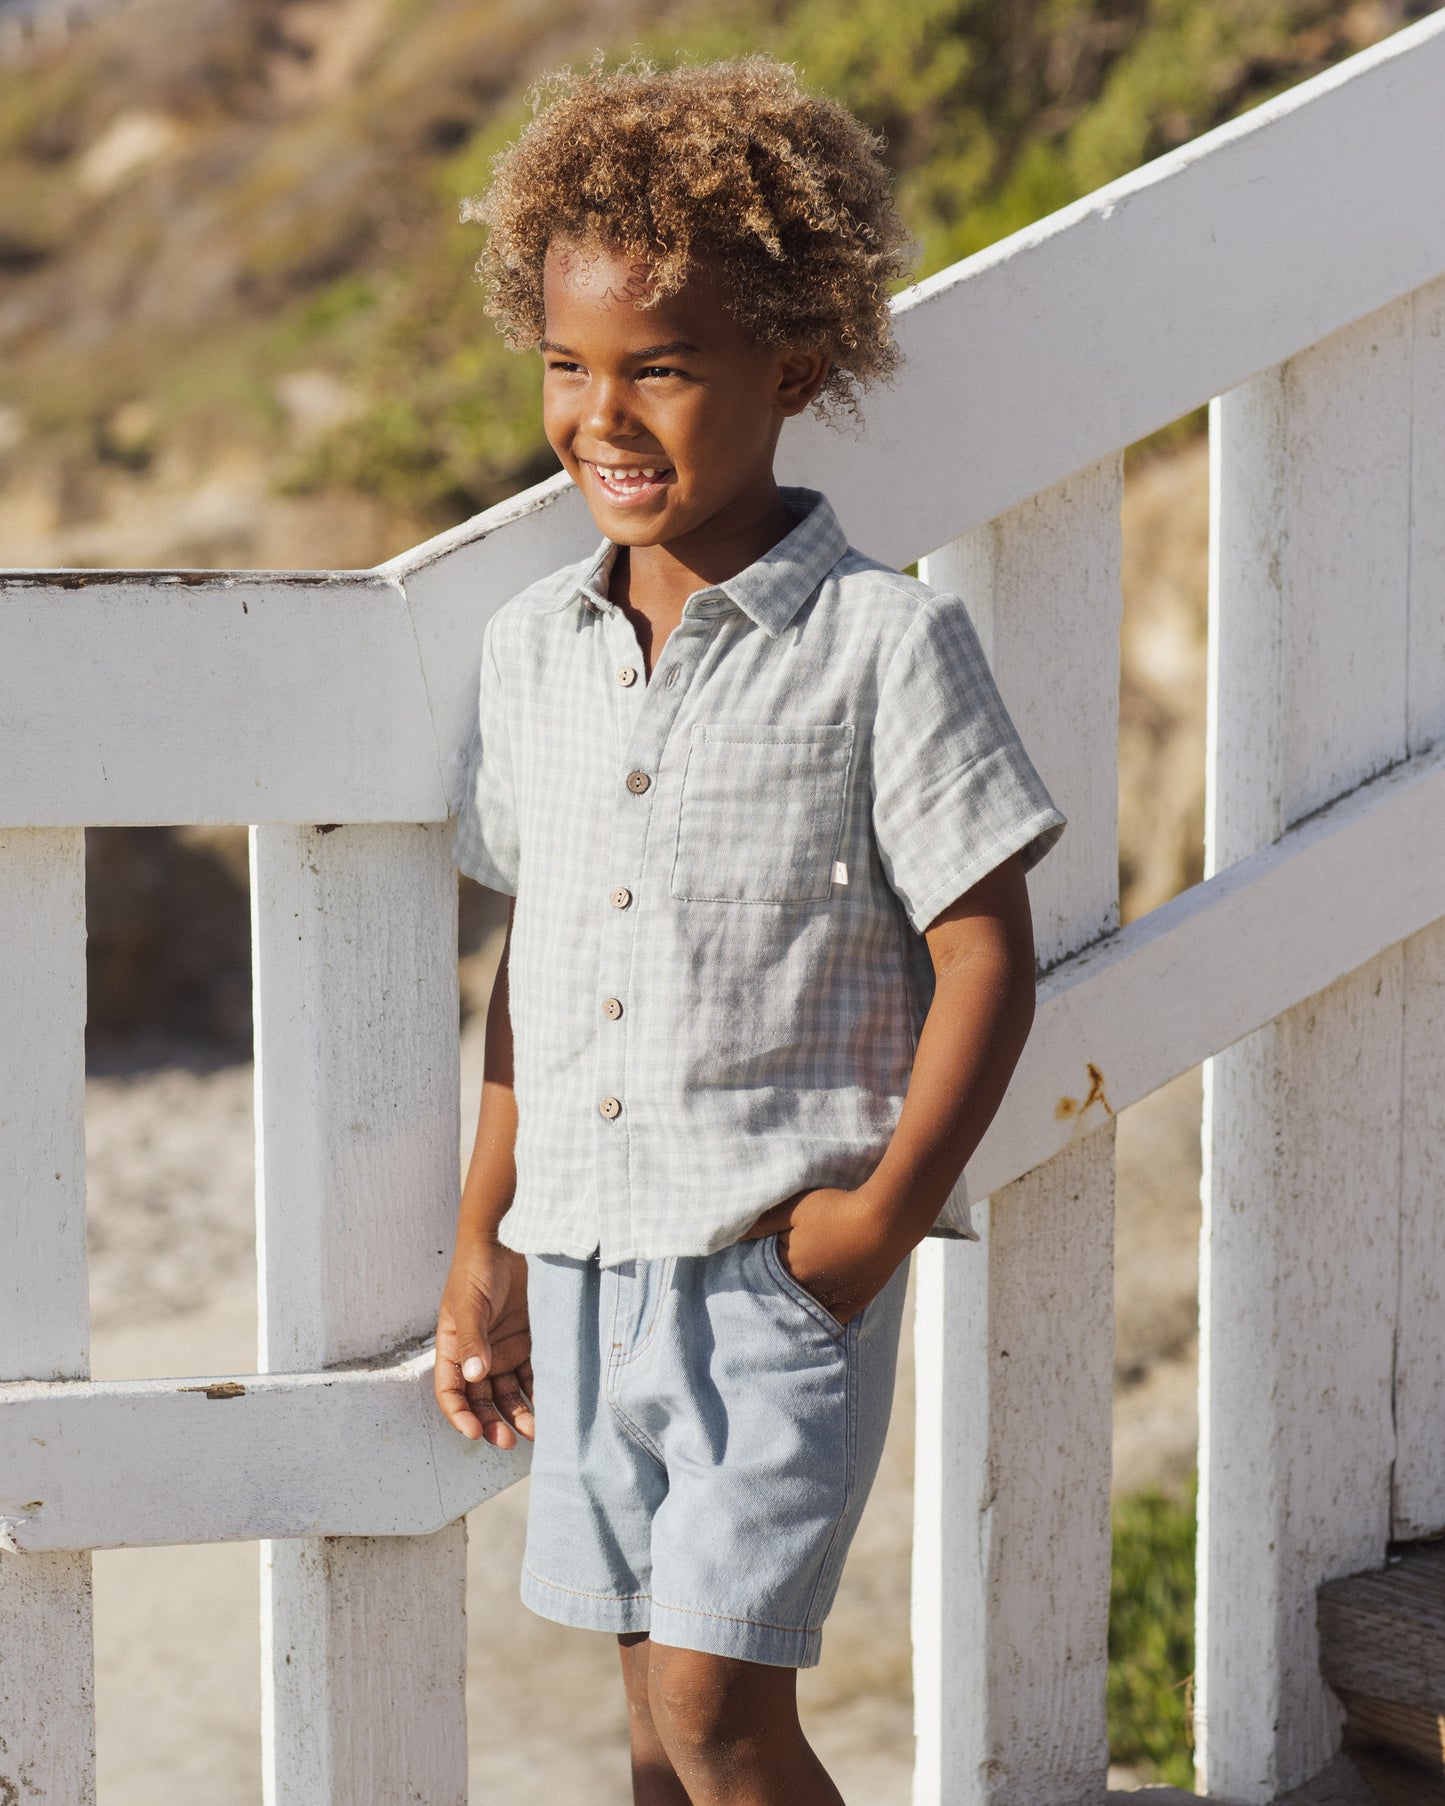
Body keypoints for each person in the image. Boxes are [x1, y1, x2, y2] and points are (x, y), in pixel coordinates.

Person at [434, 55, 1065, 1806]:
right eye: (567, 366)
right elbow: (534, 969)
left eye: (662, 367)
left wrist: (875, 1225)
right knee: (648, 1724)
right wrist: (481, 1238)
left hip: (769, 1280)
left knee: (719, 1711)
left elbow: (986, 954)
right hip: (577, 1264)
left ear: (792, 370)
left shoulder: (882, 644)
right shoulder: (529, 653)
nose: (602, 416)